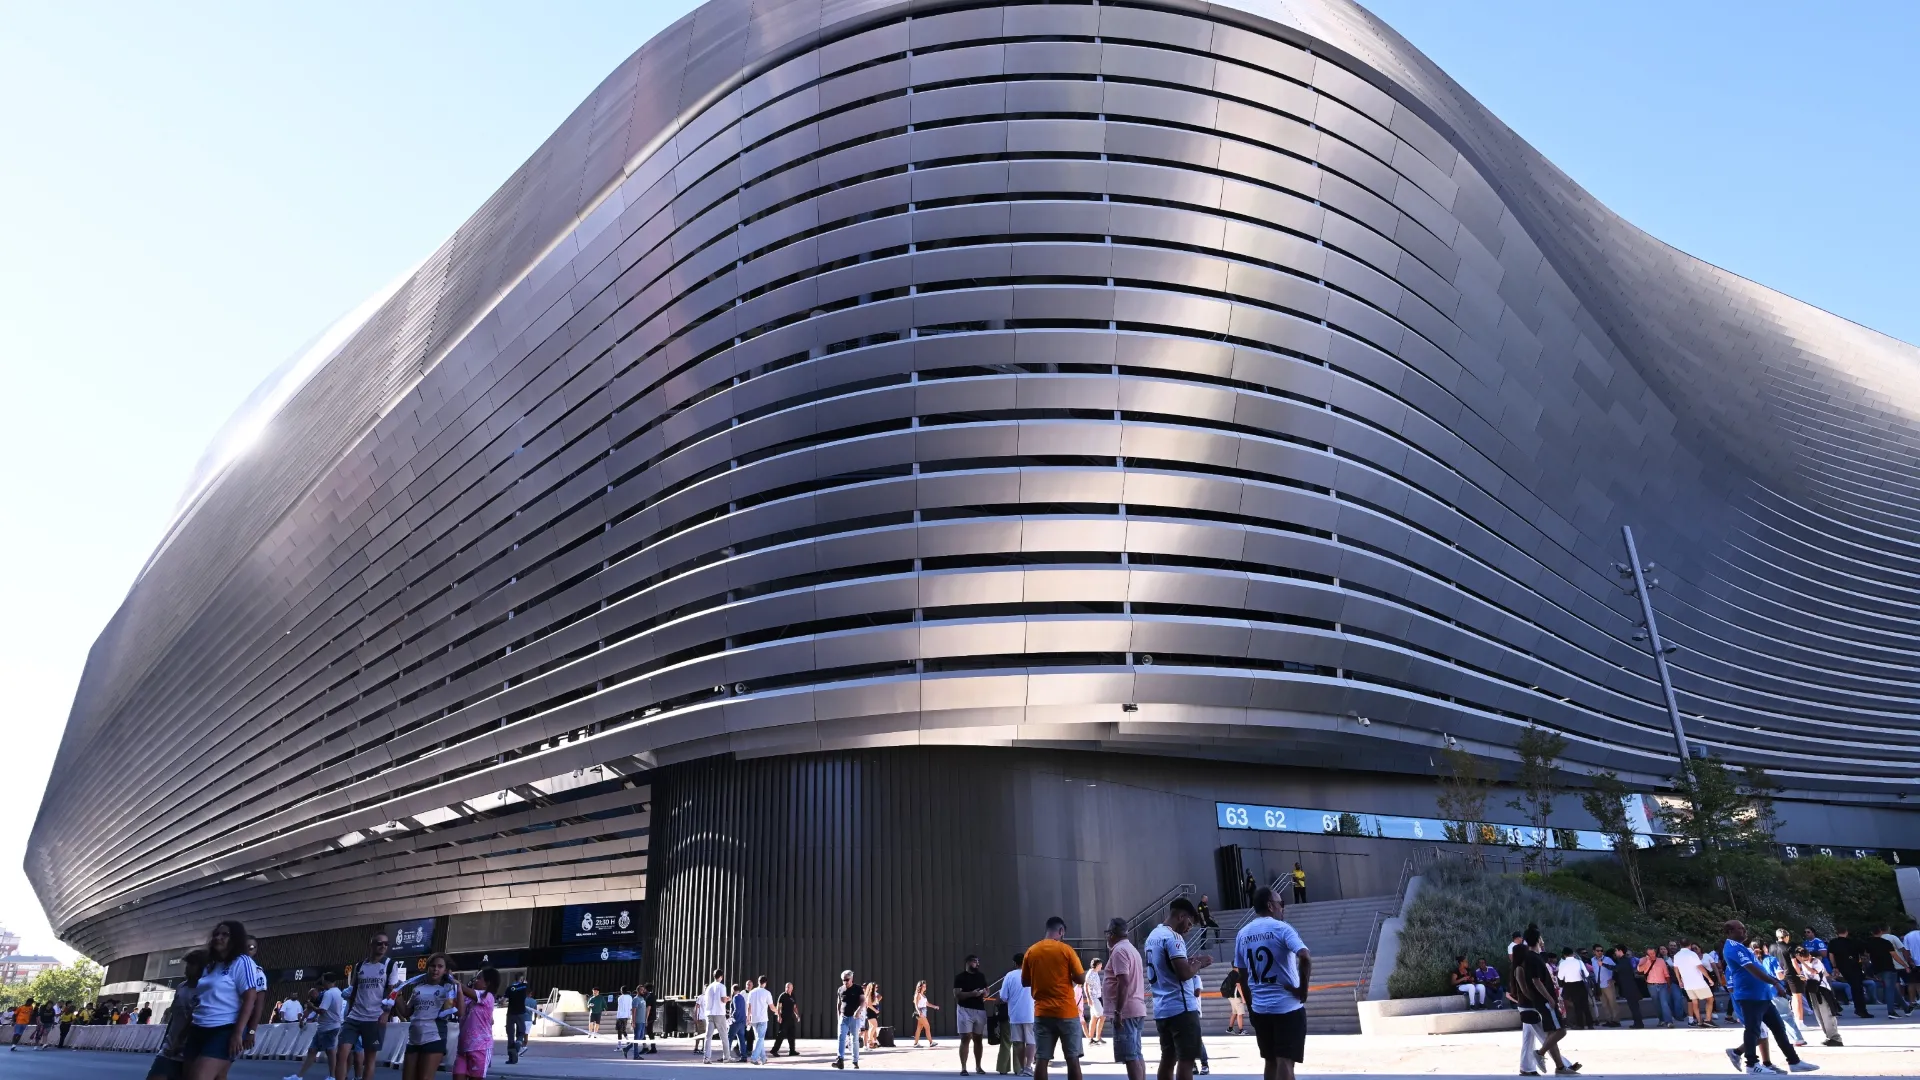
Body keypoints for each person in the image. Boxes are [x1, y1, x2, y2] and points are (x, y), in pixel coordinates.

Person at [1720, 919, 1815, 1074]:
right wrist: (1775, 982)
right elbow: (1752, 969)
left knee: (1779, 1028)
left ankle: (1794, 1061)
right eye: (1740, 929)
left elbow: (1758, 968)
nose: (1744, 931)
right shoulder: (1732, 948)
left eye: (1744, 928)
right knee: (1753, 1030)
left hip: (1762, 995)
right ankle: (1751, 1064)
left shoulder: (1741, 947)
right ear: (1730, 932)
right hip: (1750, 996)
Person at [1236, 886, 1310, 1080]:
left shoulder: (1243, 933)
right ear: (1270, 906)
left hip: (1260, 1008)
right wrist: (1303, 990)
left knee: (1270, 1061)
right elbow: (1304, 956)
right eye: (1280, 903)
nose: (1282, 908)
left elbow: (1242, 975)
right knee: (1285, 1061)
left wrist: (1251, 1007)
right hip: (1287, 1007)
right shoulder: (1282, 928)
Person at [183, 919, 264, 1080]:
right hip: (198, 1028)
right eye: (216, 934)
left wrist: (240, 1033)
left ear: (235, 939)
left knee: (198, 1077)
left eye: (225, 935)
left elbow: (250, 999)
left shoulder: (243, 962)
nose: (218, 938)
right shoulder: (210, 965)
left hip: (223, 1030)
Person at [1146, 897, 1213, 1080]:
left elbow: (1168, 966)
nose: (1189, 928)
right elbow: (1183, 973)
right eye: (1189, 923)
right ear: (1181, 916)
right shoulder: (1174, 937)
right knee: (1186, 1060)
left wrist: (1187, 961)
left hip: (1161, 1007)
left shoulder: (1153, 936)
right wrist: (1199, 963)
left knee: (1167, 1059)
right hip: (1181, 1008)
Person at [1024, 916, 1088, 1080]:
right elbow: (1080, 979)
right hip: (1067, 1012)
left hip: (1042, 1013)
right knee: (1072, 1059)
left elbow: (1025, 981)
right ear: (1061, 931)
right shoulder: (1066, 950)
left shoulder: (1031, 951)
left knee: (1042, 1059)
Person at [1512, 926, 1577, 1076]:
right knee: (1558, 1031)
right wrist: (1548, 998)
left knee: (1541, 1036)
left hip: (1534, 1004)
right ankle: (1542, 1055)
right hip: (1535, 1004)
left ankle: (1559, 1066)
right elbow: (1534, 982)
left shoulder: (1533, 958)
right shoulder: (1529, 960)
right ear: (1538, 939)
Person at [342, 932, 402, 1080]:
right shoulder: (360, 966)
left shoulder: (390, 965)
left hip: (375, 1018)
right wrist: (349, 1011)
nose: (383, 946)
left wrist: (386, 1013)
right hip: (355, 1016)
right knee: (341, 1053)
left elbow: (392, 991)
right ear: (372, 945)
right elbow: (354, 990)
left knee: (369, 1059)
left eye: (386, 944)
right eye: (380, 943)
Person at [147, 950, 209, 1080]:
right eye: (187, 964)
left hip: (191, 1050)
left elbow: (193, 1021)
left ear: (202, 967)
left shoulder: (205, 991)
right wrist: (166, 1040)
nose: (187, 968)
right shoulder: (181, 987)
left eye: (192, 964)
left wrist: (179, 1043)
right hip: (169, 1048)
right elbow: (174, 1017)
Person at [398, 953, 460, 1080]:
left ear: (445, 970)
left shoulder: (448, 989)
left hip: (434, 1038)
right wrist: (397, 994)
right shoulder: (418, 988)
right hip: (413, 1039)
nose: (435, 969)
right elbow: (406, 1012)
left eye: (440, 966)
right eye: (432, 966)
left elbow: (459, 1012)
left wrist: (458, 988)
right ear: (427, 968)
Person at [1103, 917, 1147, 1080]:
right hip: (1135, 1008)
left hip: (1126, 1012)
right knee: (1136, 1053)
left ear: (1112, 934)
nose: (1107, 937)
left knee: (1130, 1057)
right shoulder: (1131, 949)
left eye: (1107, 933)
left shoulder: (1119, 951)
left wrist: (1118, 1012)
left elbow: (1124, 982)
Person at [286, 974, 344, 1080]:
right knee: (313, 1050)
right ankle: (299, 1076)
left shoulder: (328, 994)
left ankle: (332, 1076)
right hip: (326, 1026)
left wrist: (311, 1006)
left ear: (326, 982)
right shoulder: (338, 992)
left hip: (328, 1026)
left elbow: (322, 1011)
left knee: (330, 1051)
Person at [451, 968, 498, 1080]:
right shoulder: (467, 997)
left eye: (478, 978)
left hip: (480, 1048)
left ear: (487, 983)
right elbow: (457, 1011)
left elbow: (463, 988)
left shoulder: (488, 996)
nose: (474, 980)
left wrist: (451, 979)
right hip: (462, 1048)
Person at [1759, 941, 1807, 1047]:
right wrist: (1785, 973)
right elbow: (1779, 976)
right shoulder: (1771, 960)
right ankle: (1797, 1038)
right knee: (1786, 1016)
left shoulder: (1753, 962)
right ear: (1764, 948)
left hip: (1761, 992)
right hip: (1775, 990)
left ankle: (1763, 1038)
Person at [1001, 955, 1035, 1077]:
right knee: (1031, 1041)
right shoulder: (1033, 974)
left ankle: (1022, 1067)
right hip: (1030, 1013)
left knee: (1018, 1042)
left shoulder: (1009, 976)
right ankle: (1028, 1067)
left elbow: (1003, 996)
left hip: (1015, 1014)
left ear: (1015, 963)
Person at [955, 955, 990, 1074]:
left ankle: (978, 1066)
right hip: (964, 1009)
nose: (977, 964)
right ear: (968, 962)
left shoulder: (981, 976)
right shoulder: (960, 977)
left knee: (978, 1039)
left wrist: (985, 993)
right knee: (965, 1038)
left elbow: (987, 990)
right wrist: (972, 994)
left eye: (978, 961)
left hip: (980, 1010)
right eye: (975, 961)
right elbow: (957, 994)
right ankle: (963, 1068)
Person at [1868, 926, 1911, 1017]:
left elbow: (1867, 955)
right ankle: (1891, 1011)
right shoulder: (1886, 942)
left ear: (1872, 932)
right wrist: (1905, 965)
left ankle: (1906, 1008)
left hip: (1878, 969)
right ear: (1880, 932)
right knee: (1890, 990)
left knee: (1892, 988)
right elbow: (1894, 956)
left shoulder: (1869, 943)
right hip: (1888, 968)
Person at [1826, 930, 1868, 1019]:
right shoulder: (1853, 942)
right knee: (1857, 988)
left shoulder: (1833, 942)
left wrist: (1835, 966)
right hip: (1854, 966)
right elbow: (1863, 953)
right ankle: (1861, 1009)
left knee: (1854, 987)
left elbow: (1831, 955)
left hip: (1841, 967)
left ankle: (1858, 1009)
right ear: (1846, 932)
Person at [1673, 941, 1715, 1027]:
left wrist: (1679, 981)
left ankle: (1699, 1021)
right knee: (1710, 999)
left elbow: (1676, 969)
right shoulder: (1692, 954)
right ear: (1689, 945)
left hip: (1687, 983)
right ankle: (1708, 1019)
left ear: (1680, 945)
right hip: (1698, 982)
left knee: (1694, 1001)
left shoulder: (1676, 955)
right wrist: (1709, 978)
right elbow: (1699, 967)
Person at [832, 969, 863, 1070]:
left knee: (854, 1039)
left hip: (854, 1018)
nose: (845, 982)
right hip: (843, 1017)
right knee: (841, 1038)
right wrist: (839, 1017)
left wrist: (858, 1011)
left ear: (851, 978)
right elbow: (838, 1004)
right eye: (843, 980)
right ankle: (840, 1060)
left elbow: (863, 1001)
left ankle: (855, 1061)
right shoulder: (840, 989)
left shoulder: (858, 989)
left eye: (847, 980)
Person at [1556, 949, 1592, 1029]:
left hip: (1570, 985)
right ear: (1573, 953)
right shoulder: (1579, 962)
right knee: (1585, 1005)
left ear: (1564, 955)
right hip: (1581, 984)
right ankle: (1590, 1024)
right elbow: (1586, 974)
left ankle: (1580, 1025)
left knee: (1577, 1005)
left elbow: (1560, 977)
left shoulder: (1563, 963)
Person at [1609, 948, 1644, 1028]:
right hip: (1629, 986)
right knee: (1634, 1006)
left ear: (1620, 951)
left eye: (1616, 951)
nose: (1615, 953)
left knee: (1634, 1006)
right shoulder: (1624, 960)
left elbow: (1616, 968)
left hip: (1630, 987)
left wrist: (1603, 964)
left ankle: (1638, 1023)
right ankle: (1638, 1023)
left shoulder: (1624, 960)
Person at [700, 972, 729, 1064]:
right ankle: (726, 1057)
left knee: (708, 1037)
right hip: (719, 1013)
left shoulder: (709, 987)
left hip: (709, 1013)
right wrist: (728, 999)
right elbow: (723, 999)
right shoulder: (722, 986)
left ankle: (706, 1057)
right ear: (721, 976)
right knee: (724, 1036)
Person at [748, 977, 775, 1065]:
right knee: (760, 1038)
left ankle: (763, 1058)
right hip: (762, 1018)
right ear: (765, 983)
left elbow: (749, 1006)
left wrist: (748, 1017)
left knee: (759, 1039)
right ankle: (754, 1058)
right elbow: (771, 1007)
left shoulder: (752, 992)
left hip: (754, 1019)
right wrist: (777, 1011)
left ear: (758, 982)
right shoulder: (767, 993)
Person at [504, 975, 530, 1064]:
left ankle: (512, 1058)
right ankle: (518, 1043)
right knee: (521, 1031)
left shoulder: (510, 988)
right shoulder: (524, 986)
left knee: (510, 1034)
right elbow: (527, 988)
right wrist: (524, 983)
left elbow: (503, 1001)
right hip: (521, 1013)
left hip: (511, 1013)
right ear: (522, 979)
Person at [911, 980, 940, 1047]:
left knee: (919, 1028)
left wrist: (935, 1007)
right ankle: (931, 1042)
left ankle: (916, 1043)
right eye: (923, 986)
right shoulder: (918, 995)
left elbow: (927, 1004)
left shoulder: (923, 995)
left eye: (925, 986)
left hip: (923, 1012)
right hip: (920, 1013)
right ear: (920, 987)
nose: (925, 987)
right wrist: (919, 1012)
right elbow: (916, 1005)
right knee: (927, 1026)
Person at [1084, 960, 1106, 1045]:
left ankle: (1091, 1038)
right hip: (1094, 998)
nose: (1101, 966)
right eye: (1100, 965)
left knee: (1094, 1018)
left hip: (1098, 997)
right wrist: (1088, 998)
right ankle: (1097, 1037)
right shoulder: (1090, 974)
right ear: (1097, 965)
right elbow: (1086, 986)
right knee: (1102, 1016)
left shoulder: (1095, 973)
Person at [774, 982, 799, 1058]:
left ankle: (792, 1051)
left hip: (791, 1018)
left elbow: (794, 1007)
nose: (787, 989)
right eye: (786, 987)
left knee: (792, 1035)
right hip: (784, 1018)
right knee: (781, 1034)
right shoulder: (782, 996)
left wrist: (797, 1015)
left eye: (788, 987)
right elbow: (779, 1007)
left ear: (792, 988)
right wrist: (779, 1016)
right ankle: (774, 1050)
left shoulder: (793, 996)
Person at [1221, 966, 1249, 1031]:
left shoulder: (1231, 973)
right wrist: (1243, 998)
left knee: (1234, 1012)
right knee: (1240, 1014)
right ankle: (1241, 1030)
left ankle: (1230, 1029)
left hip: (1231, 997)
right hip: (1236, 997)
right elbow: (1238, 986)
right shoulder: (1237, 974)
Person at [731, 983, 750, 1061]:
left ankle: (726, 1055)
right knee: (741, 1039)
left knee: (729, 1037)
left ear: (733, 990)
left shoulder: (735, 997)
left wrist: (731, 1017)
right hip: (742, 1021)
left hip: (736, 1021)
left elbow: (736, 1009)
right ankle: (744, 1056)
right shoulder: (742, 997)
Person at [862, 983, 884, 1052]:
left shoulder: (874, 994)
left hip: (873, 1011)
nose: (875, 988)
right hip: (870, 1011)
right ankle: (870, 1040)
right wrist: (875, 1010)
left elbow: (879, 998)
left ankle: (870, 1043)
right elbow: (869, 1005)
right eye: (874, 987)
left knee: (872, 1026)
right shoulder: (868, 994)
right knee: (874, 1025)